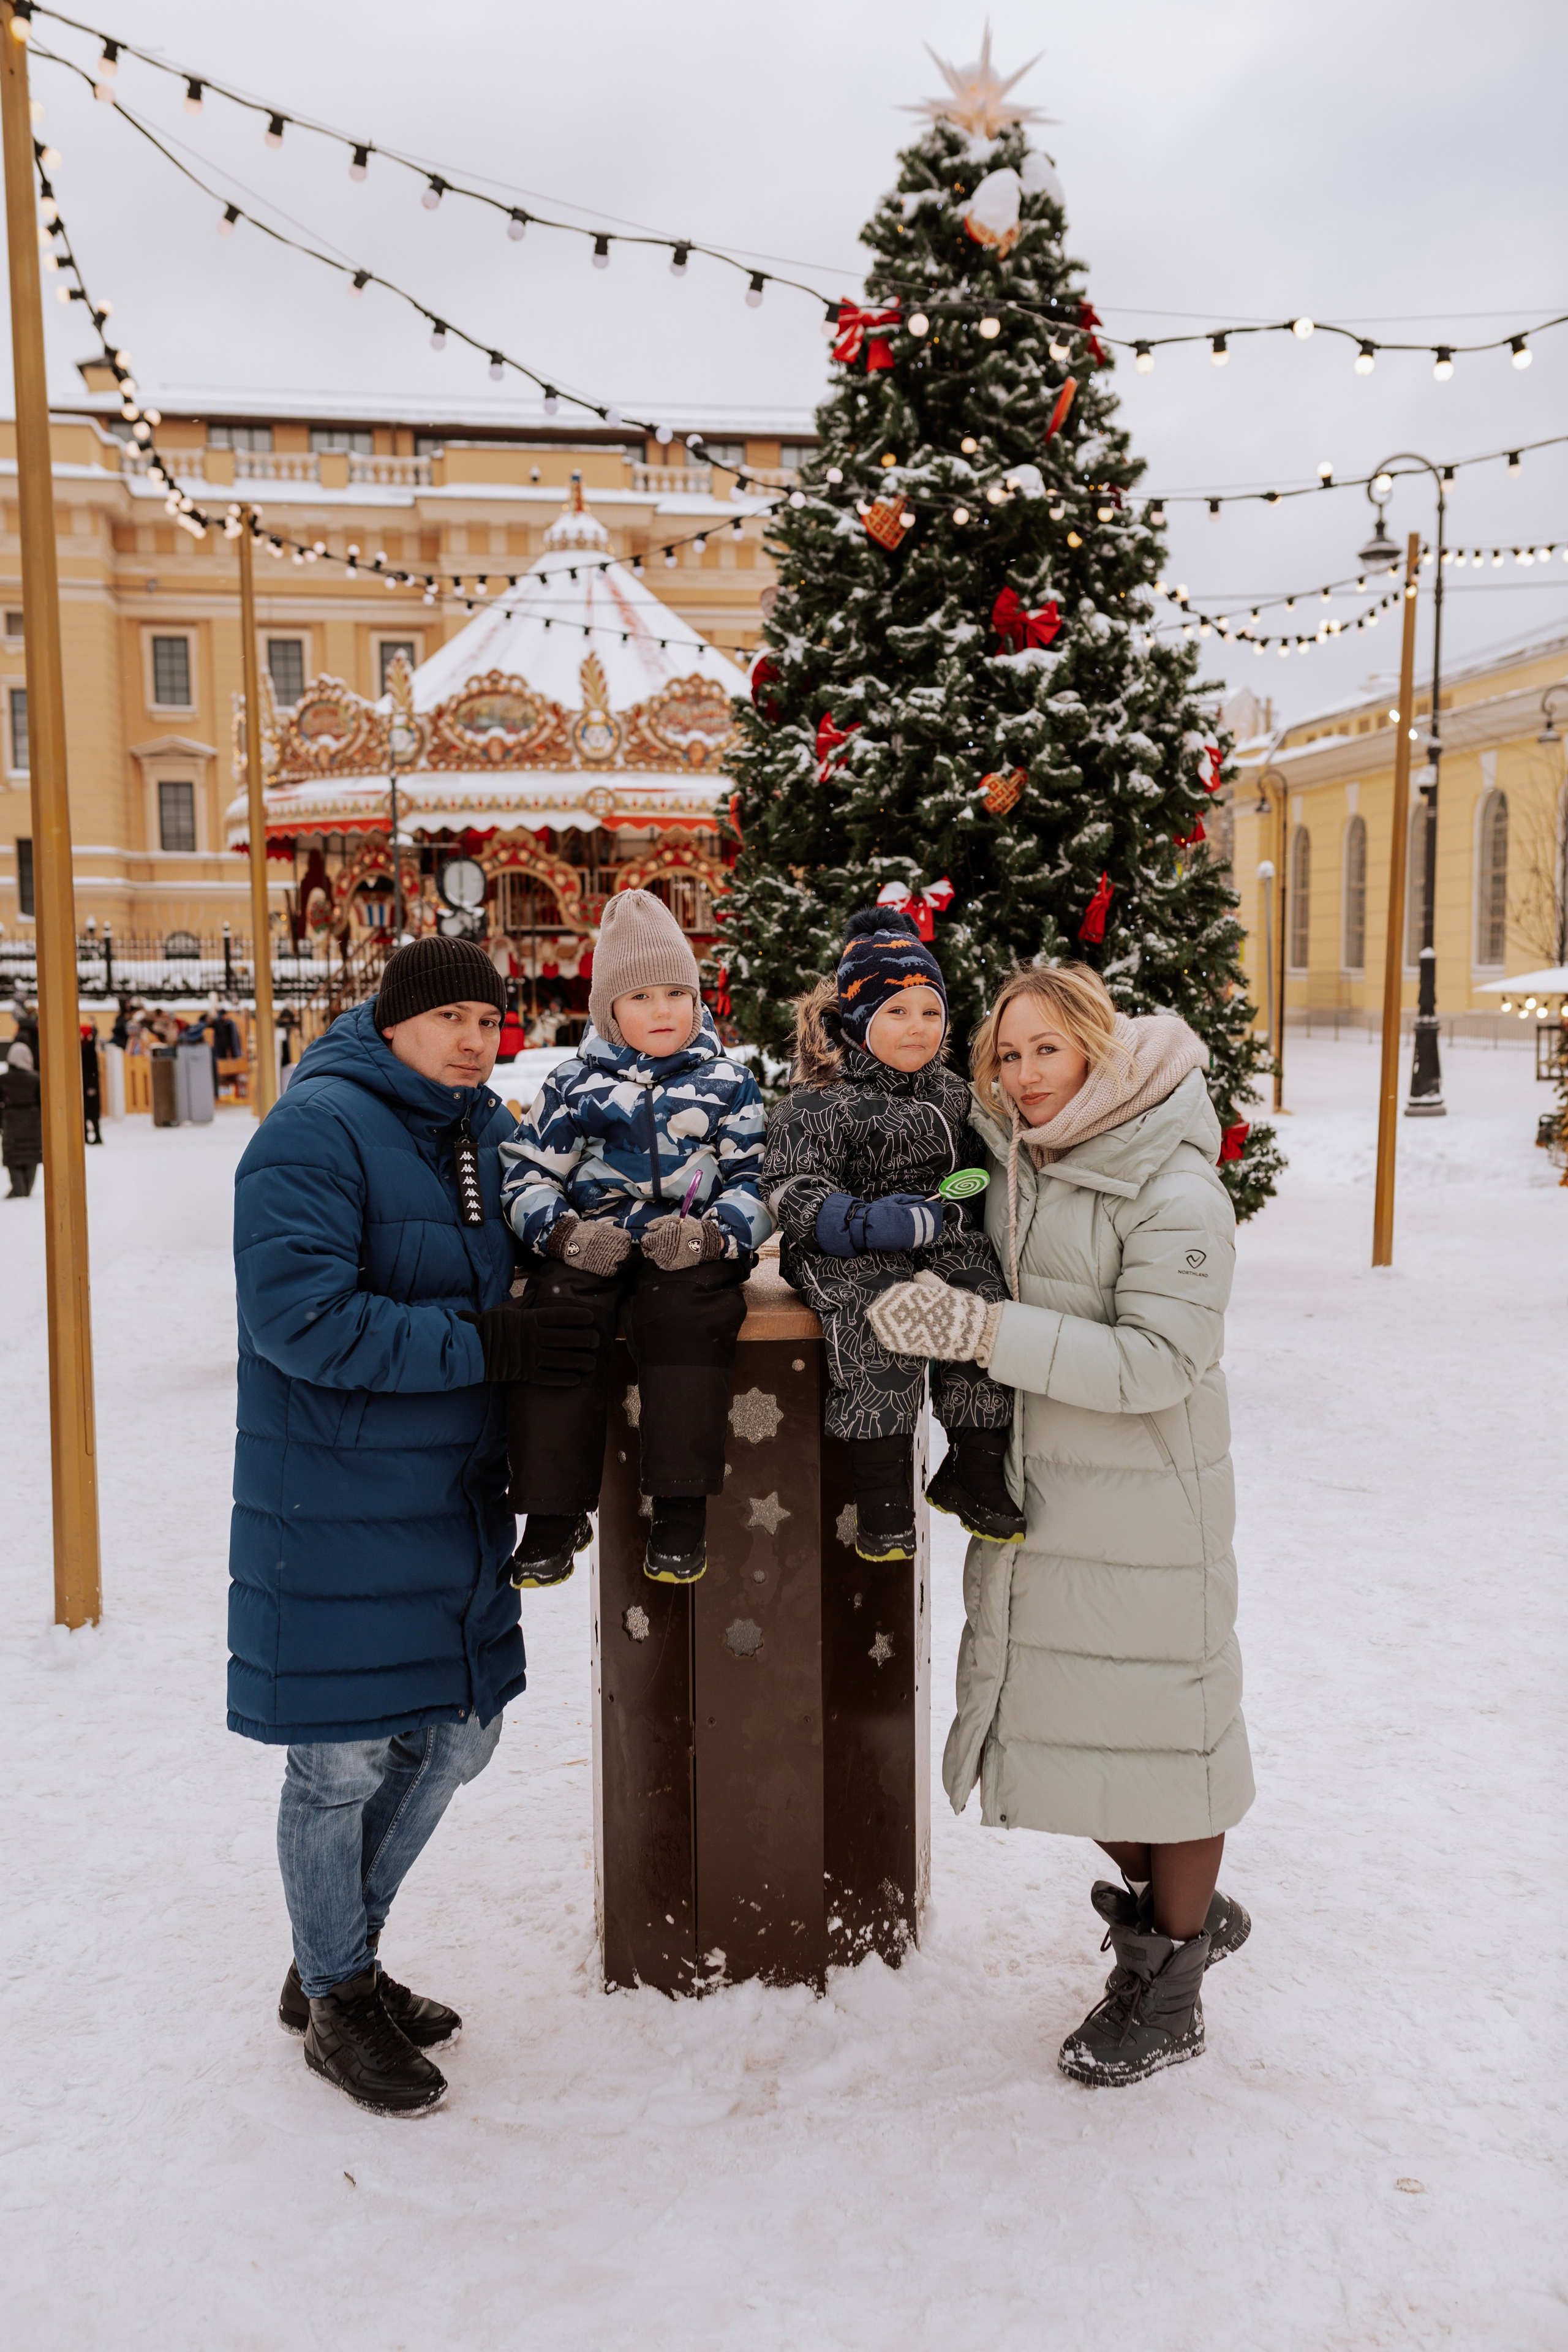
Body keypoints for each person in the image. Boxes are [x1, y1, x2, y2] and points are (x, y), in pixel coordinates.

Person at [227, 934, 599, 2117]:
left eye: (491, 1024)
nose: (476, 1042)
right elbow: (302, 1320)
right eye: (453, 1022)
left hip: (450, 1493)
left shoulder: (483, 1131)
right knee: (338, 1759)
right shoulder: (315, 1131)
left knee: (461, 1734)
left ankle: (336, 1959)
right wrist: (484, 1345)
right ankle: (340, 1994)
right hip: (337, 1499)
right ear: (393, 1021)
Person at [868, 963, 1252, 2088]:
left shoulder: (1175, 1190)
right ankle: (1181, 1916)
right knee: (1055, 1737)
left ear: (1101, 1048)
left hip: (1143, 1510)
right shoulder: (1020, 1164)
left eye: (1049, 1050)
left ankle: (1169, 1981)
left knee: (1163, 1754)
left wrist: (982, 1333)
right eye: (1009, 1053)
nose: (1025, 1076)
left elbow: (1161, 1361)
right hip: (1049, 1500)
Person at [499, 888, 771, 1588]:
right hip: (594, 1242)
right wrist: (562, 1235)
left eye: (676, 994)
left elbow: (756, 1180)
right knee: (557, 1315)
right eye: (642, 997)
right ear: (609, 1010)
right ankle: (554, 1511)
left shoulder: (726, 1085)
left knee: (685, 1316)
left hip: (687, 1247)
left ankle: (680, 1504)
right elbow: (527, 1174)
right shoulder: (572, 1086)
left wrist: (714, 1237)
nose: (662, 1011)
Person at [759, 907, 1022, 1563]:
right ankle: (882, 1497)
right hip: (841, 1247)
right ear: (856, 1020)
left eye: (929, 1012)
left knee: (980, 1298)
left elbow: (976, 1173)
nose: (918, 1028)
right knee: (881, 1311)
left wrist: (952, 1215)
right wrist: (858, 1220)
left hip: (936, 1233)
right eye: (897, 1012)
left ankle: (974, 1464)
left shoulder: (957, 1096)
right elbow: (789, 1187)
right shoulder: (818, 1101)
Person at [3, 1039, 41, 1196]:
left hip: (11, 1121)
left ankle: (19, 1190)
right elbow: (41, 1102)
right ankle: (26, 1191)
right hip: (32, 1121)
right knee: (31, 1155)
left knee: (14, 1157)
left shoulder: (3, 1079)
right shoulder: (36, 1079)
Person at [80, 1022, 103, 1145]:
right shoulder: (88, 1047)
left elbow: (92, 1069)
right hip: (88, 1084)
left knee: (90, 1113)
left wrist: (92, 1086)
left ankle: (95, 1136)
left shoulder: (87, 1048)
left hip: (88, 1084)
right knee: (88, 1113)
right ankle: (90, 1136)